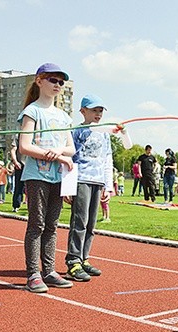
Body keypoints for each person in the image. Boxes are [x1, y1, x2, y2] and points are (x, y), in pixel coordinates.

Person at [18, 62, 75, 293]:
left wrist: (60, 153)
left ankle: (49, 271)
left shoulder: (63, 116)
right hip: (36, 176)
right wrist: (50, 155)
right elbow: (24, 146)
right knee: (37, 225)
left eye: (61, 82)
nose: (58, 85)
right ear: (39, 80)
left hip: (57, 178)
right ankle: (33, 274)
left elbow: (70, 148)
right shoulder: (32, 111)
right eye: (53, 80)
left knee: (52, 225)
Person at [64, 94, 115, 282]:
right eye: (94, 110)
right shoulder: (76, 131)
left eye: (101, 111)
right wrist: (68, 187)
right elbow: (70, 159)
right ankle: (73, 260)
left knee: (91, 224)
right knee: (80, 221)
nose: (98, 114)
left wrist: (108, 186)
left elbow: (108, 159)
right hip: (81, 180)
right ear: (83, 111)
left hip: (98, 181)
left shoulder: (104, 133)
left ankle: (84, 257)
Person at [10, 134, 27, 212]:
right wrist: (15, 161)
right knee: (18, 186)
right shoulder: (18, 135)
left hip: (32, 165)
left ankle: (34, 207)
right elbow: (13, 149)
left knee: (34, 187)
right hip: (20, 165)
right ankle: (16, 205)